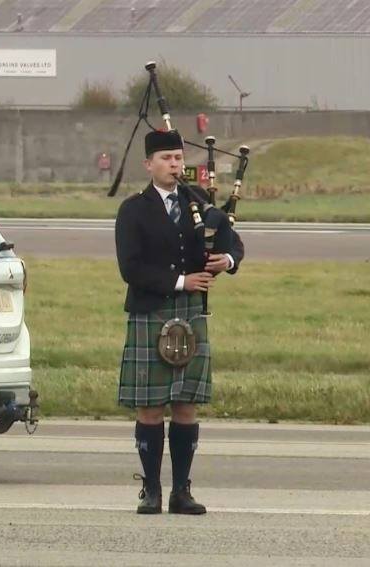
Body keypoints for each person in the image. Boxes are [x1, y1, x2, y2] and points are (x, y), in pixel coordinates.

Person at [114, 129, 244, 515]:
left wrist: (228, 261)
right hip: (151, 311)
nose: (174, 165)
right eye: (167, 159)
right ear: (148, 164)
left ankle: (181, 492)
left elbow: (231, 242)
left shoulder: (199, 203)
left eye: (178, 159)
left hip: (190, 313)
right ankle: (151, 490)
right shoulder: (133, 209)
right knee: (151, 407)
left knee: (186, 405)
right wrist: (181, 280)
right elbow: (130, 267)